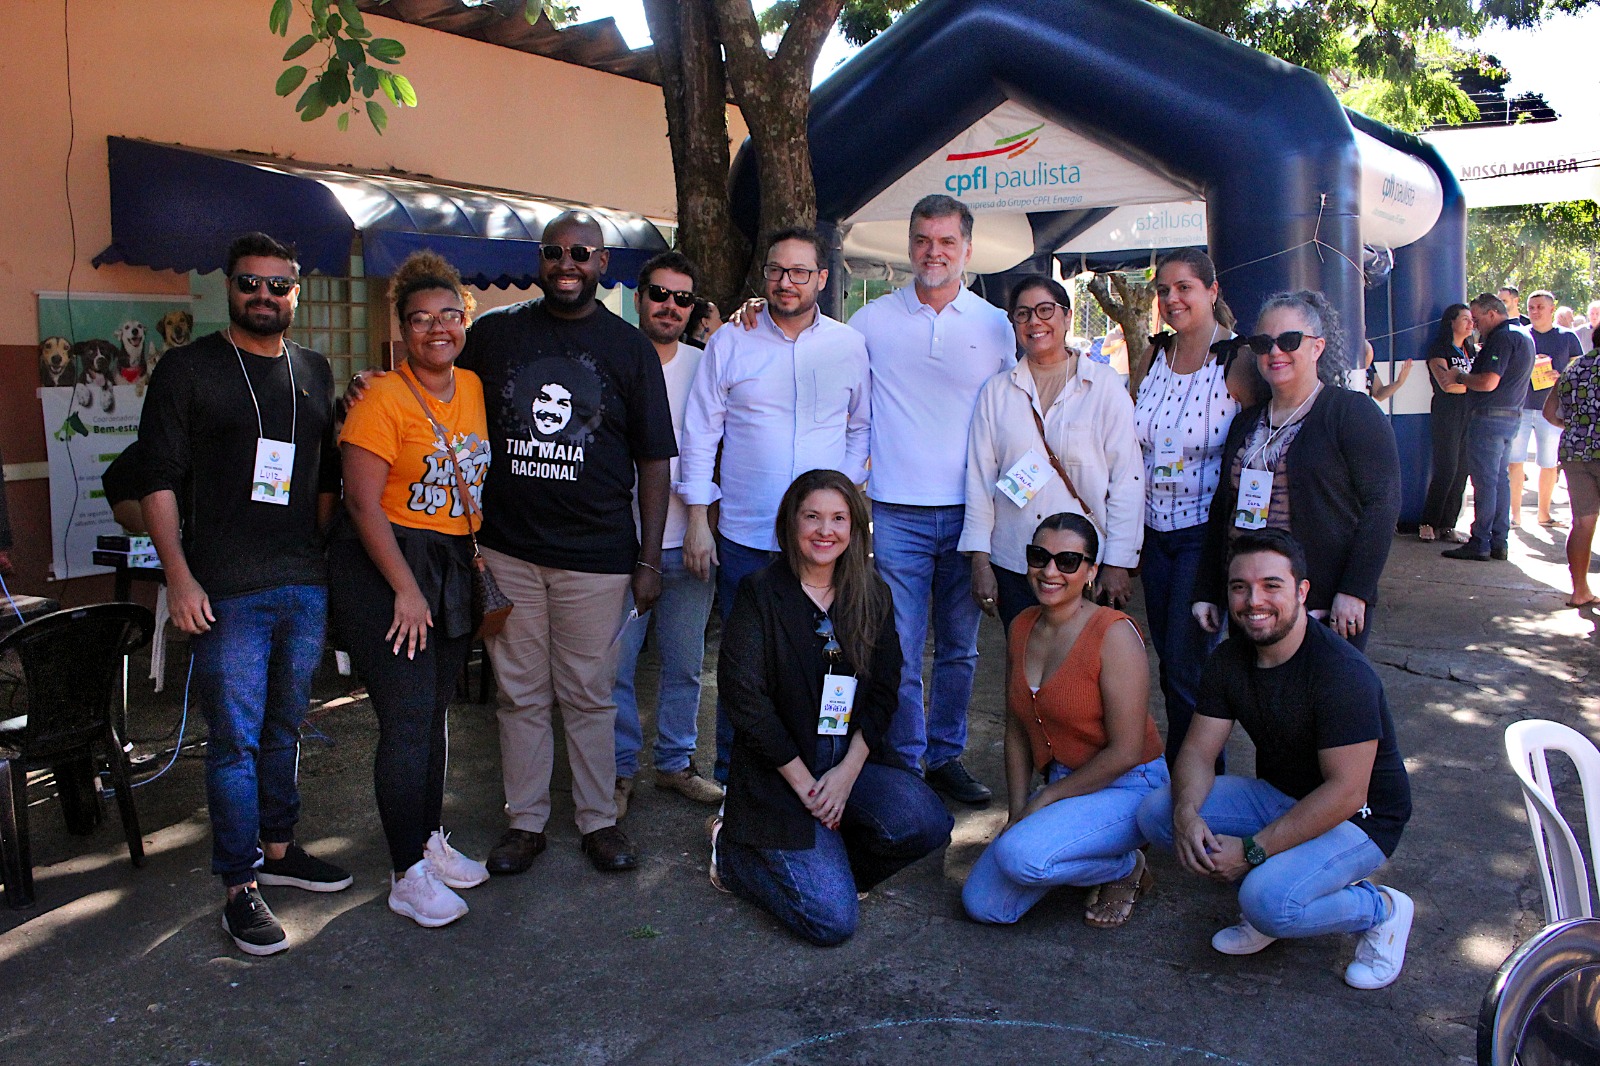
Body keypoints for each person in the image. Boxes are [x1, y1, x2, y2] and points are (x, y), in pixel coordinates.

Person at [139, 232, 350, 955]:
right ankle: (240, 883)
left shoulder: (314, 369)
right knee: (234, 742)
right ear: (228, 286)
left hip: (301, 582)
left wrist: (316, 558)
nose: (264, 295)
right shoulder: (188, 369)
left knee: (286, 728)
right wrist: (179, 576)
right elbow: (156, 479)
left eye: (278, 284)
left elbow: (326, 475)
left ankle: (280, 848)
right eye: (249, 283)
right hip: (224, 589)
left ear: (296, 292)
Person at [459, 210, 677, 876]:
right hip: (509, 551)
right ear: (540, 259)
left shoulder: (630, 348)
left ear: (602, 264)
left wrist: (648, 559)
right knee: (520, 695)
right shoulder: (495, 334)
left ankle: (597, 820)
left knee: (589, 694)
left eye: (581, 254)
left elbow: (654, 460)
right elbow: (443, 395)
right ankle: (524, 823)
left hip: (598, 557)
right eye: (555, 252)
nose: (567, 264)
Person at [1138, 529, 1414, 990]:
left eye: (1271, 585)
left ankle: (1379, 909)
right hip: (1283, 795)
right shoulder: (1230, 659)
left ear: (1302, 591)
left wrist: (1251, 851)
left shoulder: (1341, 673)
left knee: (1268, 903)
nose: (1254, 601)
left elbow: (1347, 792)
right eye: (1240, 587)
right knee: (1158, 813)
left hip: (1361, 818)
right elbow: (1198, 752)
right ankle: (1279, 880)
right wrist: (1186, 815)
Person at [710, 470, 953, 946]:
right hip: (780, 775)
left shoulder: (871, 592)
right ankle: (732, 855)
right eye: (812, 517)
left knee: (927, 823)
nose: (826, 530)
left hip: (848, 764)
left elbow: (885, 689)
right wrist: (809, 789)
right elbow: (746, 701)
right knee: (831, 923)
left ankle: (828, 867)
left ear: (855, 526)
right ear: (791, 523)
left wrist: (846, 775)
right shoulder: (761, 592)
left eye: (839, 518)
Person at [329, 251, 491, 928]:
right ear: (401, 329)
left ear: (465, 321)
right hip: (388, 567)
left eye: (449, 315)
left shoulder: (474, 386)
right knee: (405, 718)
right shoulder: (379, 399)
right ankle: (405, 874)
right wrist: (404, 588)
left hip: (449, 563)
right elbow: (361, 504)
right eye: (420, 319)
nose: (436, 329)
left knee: (434, 714)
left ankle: (428, 844)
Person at [679, 227, 870, 783]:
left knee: (826, 664)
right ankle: (734, 781)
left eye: (800, 272)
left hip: (824, 546)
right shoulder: (730, 342)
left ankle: (818, 775)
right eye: (777, 271)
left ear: (822, 278)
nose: (787, 282)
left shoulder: (847, 345)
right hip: (747, 537)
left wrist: (842, 495)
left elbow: (862, 427)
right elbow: (700, 433)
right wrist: (697, 519)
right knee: (743, 668)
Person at [847, 195, 1014, 806]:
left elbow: (1015, 412)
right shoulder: (871, 322)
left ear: (967, 248)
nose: (933, 252)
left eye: (945, 241)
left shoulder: (996, 325)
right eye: (922, 239)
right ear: (910, 244)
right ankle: (908, 760)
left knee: (961, 649)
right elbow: (850, 405)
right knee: (900, 643)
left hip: (973, 513)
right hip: (897, 511)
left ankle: (945, 755)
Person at [961, 513, 1168, 928]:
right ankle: (1081, 854)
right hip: (1065, 780)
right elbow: (1017, 727)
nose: (1050, 571)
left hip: (1130, 784)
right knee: (985, 905)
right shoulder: (1021, 626)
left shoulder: (1114, 634)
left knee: (1021, 856)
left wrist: (1045, 799)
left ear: (1091, 571)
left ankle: (1125, 866)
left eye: (1068, 561)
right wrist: (1017, 811)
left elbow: (1127, 751)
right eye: (1039, 557)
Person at [1194, 291, 1400, 651]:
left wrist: (1355, 590)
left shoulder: (1351, 413)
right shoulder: (1245, 423)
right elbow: (1222, 509)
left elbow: (1382, 505)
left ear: (1317, 347)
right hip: (1252, 606)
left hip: (1323, 607)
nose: (1275, 352)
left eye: (1289, 340)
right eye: (1263, 343)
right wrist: (1209, 589)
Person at [611, 252, 723, 819]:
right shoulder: (611, 358)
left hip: (692, 542)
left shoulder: (707, 365)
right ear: (638, 297)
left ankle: (676, 763)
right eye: (659, 294)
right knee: (615, 668)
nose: (670, 307)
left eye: (683, 299)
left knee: (684, 665)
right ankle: (617, 770)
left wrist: (710, 526)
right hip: (620, 547)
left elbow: (726, 446)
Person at [962, 275, 1143, 629]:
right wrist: (980, 561)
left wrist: (1118, 562)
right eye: (1023, 314)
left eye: (1046, 310)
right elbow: (980, 481)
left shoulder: (1103, 387)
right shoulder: (997, 392)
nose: (1035, 321)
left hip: (1081, 565)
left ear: (1067, 316)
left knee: (1081, 659)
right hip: (1015, 561)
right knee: (1022, 654)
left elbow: (1127, 479)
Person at [1134, 248, 1252, 768]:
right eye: (1163, 290)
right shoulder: (1154, 355)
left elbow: (1260, 443)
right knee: (1170, 665)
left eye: (1184, 287)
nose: (1172, 299)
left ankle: (1198, 782)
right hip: (1152, 531)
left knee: (1188, 668)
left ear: (1212, 291)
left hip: (1204, 534)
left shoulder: (1236, 359)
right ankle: (1189, 776)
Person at [1442, 293, 1536, 564]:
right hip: (1510, 416)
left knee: (1485, 482)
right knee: (1498, 481)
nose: (1475, 325)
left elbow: (1488, 382)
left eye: (1477, 318)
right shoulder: (1523, 335)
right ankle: (1497, 540)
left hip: (1489, 418)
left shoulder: (1502, 338)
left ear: (1492, 313)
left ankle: (1480, 541)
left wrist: (1460, 376)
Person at [1510, 290, 1580, 528]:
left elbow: (1578, 371)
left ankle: (1544, 514)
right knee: (1514, 462)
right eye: (1531, 307)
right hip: (1520, 407)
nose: (1535, 311)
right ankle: (1514, 516)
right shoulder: (1520, 335)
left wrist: (1560, 376)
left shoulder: (1568, 337)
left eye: (1540, 307)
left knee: (1549, 463)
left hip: (1551, 409)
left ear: (1552, 309)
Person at [1544, 344, 1600, 605]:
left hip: (1574, 452)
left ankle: (1579, 591)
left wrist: (1572, 427)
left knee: (1582, 522)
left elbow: (1549, 412)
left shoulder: (1573, 368)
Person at [1416, 304, 1477, 544]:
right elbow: (1447, 385)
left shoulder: (1471, 350)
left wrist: (1469, 384)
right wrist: (1478, 385)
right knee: (1447, 468)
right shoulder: (1440, 349)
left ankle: (1448, 525)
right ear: (1451, 322)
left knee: (1462, 470)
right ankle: (1428, 522)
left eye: (1472, 320)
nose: (1470, 324)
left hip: (1469, 412)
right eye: (1465, 319)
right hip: (1447, 412)